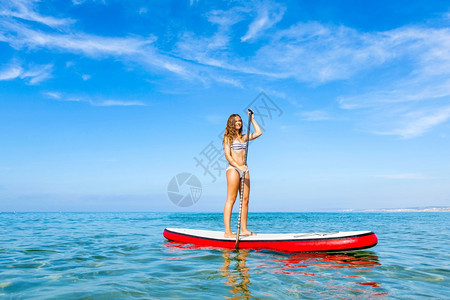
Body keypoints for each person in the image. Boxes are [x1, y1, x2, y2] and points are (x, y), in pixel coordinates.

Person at [222, 110, 262, 238]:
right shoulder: (228, 138)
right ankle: (228, 232)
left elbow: (259, 132)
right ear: (231, 124)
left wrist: (252, 119)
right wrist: (238, 166)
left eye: (240, 121)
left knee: (245, 200)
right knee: (231, 199)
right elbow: (228, 156)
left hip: (245, 169)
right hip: (233, 169)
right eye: (236, 121)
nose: (239, 123)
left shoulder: (244, 137)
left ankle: (243, 229)